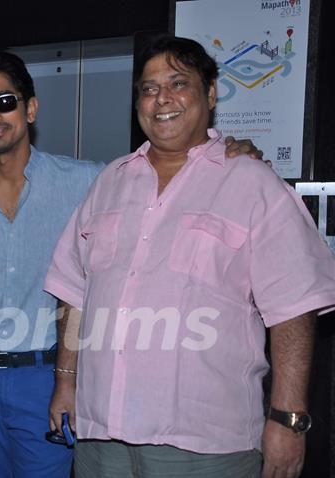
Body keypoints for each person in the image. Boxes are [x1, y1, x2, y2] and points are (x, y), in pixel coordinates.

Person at [0, 49, 262, 478]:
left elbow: (165, 174)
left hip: (51, 374)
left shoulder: (91, 181)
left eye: (5, 101)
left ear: (30, 108)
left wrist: (232, 152)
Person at [44, 35, 335, 478]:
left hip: (206, 448)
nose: (162, 99)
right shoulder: (109, 182)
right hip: (101, 439)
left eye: (179, 83)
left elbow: (293, 309)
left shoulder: (252, 184)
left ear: (211, 93)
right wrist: (66, 381)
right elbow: (74, 293)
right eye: (148, 87)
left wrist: (288, 420)